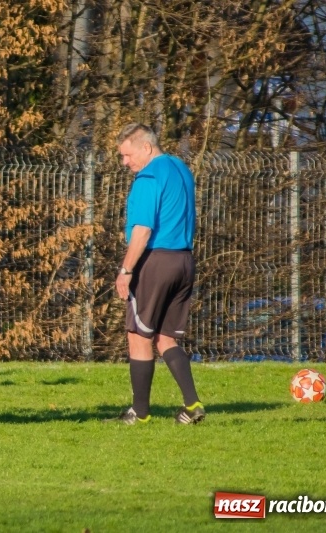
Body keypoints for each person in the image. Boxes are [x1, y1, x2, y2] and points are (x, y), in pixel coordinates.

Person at [113, 123, 205, 425]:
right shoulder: (181, 169)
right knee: (167, 339)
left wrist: (126, 271)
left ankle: (139, 413)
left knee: (139, 336)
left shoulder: (149, 176)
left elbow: (142, 231)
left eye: (127, 155)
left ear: (146, 148)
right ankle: (193, 406)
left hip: (156, 261)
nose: (126, 163)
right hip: (183, 261)